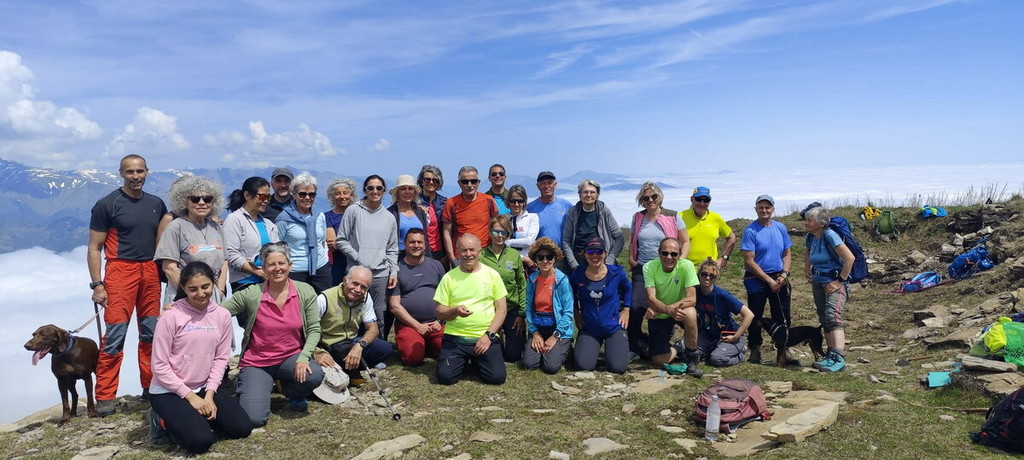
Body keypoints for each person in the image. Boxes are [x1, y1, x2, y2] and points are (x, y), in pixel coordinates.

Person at [88, 154, 168, 416]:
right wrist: (97, 284)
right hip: (120, 271)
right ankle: (105, 395)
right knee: (115, 334)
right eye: (130, 172)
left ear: (147, 171)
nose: (136, 176)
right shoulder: (107, 204)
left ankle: (151, 386)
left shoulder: (156, 203)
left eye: (140, 171)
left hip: (150, 270)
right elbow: (94, 247)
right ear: (121, 173)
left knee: (151, 333)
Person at [149, 262, 252, 454]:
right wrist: (191, 398)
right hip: (169, 390)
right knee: (200, 442)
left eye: (205, 287)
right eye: (193, 289)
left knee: (242, 428)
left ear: (213, 283)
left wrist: (210, 395)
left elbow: (221, 359)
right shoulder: (170, 317)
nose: (201, 293)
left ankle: (195, 418)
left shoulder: (222, 315)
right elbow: (159, 366)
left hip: (204, 387)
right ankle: (160, 419)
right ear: (183, 288)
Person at [221, 242, 324, 426]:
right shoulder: (252, 293)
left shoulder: (304, 291)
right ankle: (252, 385)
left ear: (290, 265)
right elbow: (219, 312)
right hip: (258, 363)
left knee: (314, 374)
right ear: (263, 269)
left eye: (282, 263)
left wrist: (304, 357)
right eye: (271, 264)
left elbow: (314, 329)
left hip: (291, 358)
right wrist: (181, 309)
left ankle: (292, 391)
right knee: (254, 419)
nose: (277, 268)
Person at [434, 234, 508, 385]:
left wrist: (489, 335)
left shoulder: (492, 275)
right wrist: (455, 311)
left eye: (472, 250)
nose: (468, 254)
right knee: (445, 378)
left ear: (480, 252)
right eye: (464, 250)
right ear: (457, 253)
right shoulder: (448, 277)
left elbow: (501, 310)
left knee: (496, 378)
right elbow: (439, 311)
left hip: (485, 336)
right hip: (456, 338)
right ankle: (466, 360)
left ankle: (476, 360)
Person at [627, 182, 684, 361]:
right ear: (641, 200)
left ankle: (683, 342)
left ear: (660, 197)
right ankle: (635, 344)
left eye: (654, 196)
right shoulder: (637, 217)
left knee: (663, 306)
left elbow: (685, 241)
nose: (650, 200)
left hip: (667, 268)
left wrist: (680, 261)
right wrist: (631, 258)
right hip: (643, 268)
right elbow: (633, 240)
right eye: (646, 198)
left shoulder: (673, 216)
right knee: (636, 306)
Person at [337, 175, 399, 331]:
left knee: (379, 314)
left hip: (380, 274)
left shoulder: (389, 218)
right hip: (356, 272)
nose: (375, 191)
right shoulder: (353, 211)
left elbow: (392, 248)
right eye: (371, 188)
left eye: (379, 188)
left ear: (384, 191)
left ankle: (378, 344)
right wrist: (359, 258)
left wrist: (393, 272)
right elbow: (341, 240)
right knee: (352, 312)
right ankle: (350, 343)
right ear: (365, 190)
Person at [312, 266, 393, 383]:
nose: (358, 289)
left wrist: (360, 346)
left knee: (385, 348)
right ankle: (347, 371)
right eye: (355, 284)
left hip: (352, 341)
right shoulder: (324, 299)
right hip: (327, 344)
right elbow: (306, 329)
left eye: (363, 287)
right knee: (343, 350)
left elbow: (373, 329)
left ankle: (349, 368)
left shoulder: (366, 298)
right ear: (345, 280)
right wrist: (316, 352)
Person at [155, 176, 227, 306]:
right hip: (183, 298)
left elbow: (224, 262)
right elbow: (169, 267)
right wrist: (190, 295)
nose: (201, 203)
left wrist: (220, 290)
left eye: (207, 199)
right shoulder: (175, 227)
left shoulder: (216, 227)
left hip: (213, 297)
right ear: (185, 202)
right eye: (195, 199)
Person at [740, 195, 793, 364]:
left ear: (773, 209)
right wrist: (768, 281)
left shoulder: (780, 228)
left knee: (782, 314)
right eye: (761, 207)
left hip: (779, 276)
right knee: (755, 314)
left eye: (767, 207)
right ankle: (755, 348)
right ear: (756, 209)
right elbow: (749, 260)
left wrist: (784, 274)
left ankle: (783, 348)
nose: (764, 210)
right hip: (756, 278)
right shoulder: (750, 231)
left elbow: (787, 253)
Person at [803, 205, 855, 373]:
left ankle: (839, 358)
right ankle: (830, 355)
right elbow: (807, 253)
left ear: (822, 223)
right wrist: (807, 269)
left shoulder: (830, 235)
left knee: (833, 317)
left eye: (810, 220)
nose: (806, 223)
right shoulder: (811, 237)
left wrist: (840, 281)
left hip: (833, 282)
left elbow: (849, 258)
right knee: (824, 318)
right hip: (818, 281)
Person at [570, 236, 631, 374]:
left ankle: (614, 350)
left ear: (605, 253)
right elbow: (571, 294)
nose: (595, 255)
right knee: (583, 365)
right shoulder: (577, 274)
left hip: (613, 326)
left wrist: (626, 309)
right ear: (584, 254)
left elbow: (628, 289)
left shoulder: (616, 273)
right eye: (590, 252)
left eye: (599, 251)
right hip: (589, 327)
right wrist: (576, 312)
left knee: (618, 368)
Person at [643, 238, 702, 378]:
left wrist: (669, 309)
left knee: (690, 313)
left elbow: (692, 298)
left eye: (674, 254)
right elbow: (651, 298)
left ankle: (692, 357)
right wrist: (668, 311)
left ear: (680, 255)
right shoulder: (649, 267)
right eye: (665, 253)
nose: (669, 257)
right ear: (659, 253)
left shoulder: (687, 266)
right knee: (659, 360)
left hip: (676, 310)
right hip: (661, 314)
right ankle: (679, 346)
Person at [388, 229, 446, 366]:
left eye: (419, 242)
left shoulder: (436, 265)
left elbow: (447, 296)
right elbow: (394, 306)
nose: (416, 245)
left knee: (450, 353)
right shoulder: (396, 270)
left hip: (435, 324)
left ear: (425, 245)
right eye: (412, 242)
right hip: (409, 325)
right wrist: (417, 326)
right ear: (404, 244)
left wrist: (440, 320)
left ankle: (427, 345)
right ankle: (418, 344)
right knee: (413, 359)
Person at [522, 237, 574, 374]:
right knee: (529, 364)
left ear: (555, 259)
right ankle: (546, 348)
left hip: (558, 328)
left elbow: (568, 312)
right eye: (540, 257)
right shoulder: (532, 280)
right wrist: (535, 333)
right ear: (536, 260)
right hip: (539, 327)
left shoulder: (562, 280)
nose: (545, 261)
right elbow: (528, 308)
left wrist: (555, 336)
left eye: (549, 257)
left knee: (550, 367)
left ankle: (565, 347)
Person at [480, 215, 527, 363]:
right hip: (489, 309)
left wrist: (521, 314)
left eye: (504, 232)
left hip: (511, 308)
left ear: (508, 234)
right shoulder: (481, 256)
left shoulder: (514, 255)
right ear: (490, 232)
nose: (500, 236)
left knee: (513, 355)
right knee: (488, 352)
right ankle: (496, 337)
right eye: (496, 231)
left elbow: (522, 285)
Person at [275, 172, 331, 293]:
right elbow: (277, 246)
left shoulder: (319, 216)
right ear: (293, 194)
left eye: (311, 194)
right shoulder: (284, 219)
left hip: (321, 269)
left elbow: (322, 242)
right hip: (296, 271)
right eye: (302, 194)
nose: (307, 198)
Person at [694, 258, 755, 367]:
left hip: (728, 334)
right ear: (699, 274)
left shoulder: (722, 295)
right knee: (692, 353)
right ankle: (714, 349)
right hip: (709, 333)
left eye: (711, 276)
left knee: (716, 359)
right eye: (704, 274)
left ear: (715, 277)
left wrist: (736, 336)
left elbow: (749, 315)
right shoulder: (695, 292)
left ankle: (740, 355)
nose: (707, 278)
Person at [224, 176, 280, 294]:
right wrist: (256, 271)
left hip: (268, 283)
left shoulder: (268, 224)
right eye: (262, 196)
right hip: (244, 283)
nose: (266, 201)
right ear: (247, 195)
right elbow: (230, 253)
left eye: (268, 197)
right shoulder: (234, 220)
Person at [561, 179, 624, 271]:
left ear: (597, 195)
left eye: (592, 192)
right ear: (580, 195)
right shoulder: (573, 212)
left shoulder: (604, 211)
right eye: (585, 192)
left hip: (601, 259)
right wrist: (573, 264)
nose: (589, 195)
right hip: (579, 261)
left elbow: (619, 237)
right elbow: (566, 240)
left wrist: (610, 260)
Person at [442, 166, 499, 265]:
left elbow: (495, 227)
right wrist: (452, 258)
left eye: (473, 181)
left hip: (485, 254)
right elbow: (447, 232)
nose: (469, 185)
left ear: (478, 182)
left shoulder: (488, 200)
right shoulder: (451, 203)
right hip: (462, 256)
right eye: (465, 182)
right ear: (459, 183)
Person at [678, 186, 735, 270]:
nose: (702, 203)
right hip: (685, 269)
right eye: (698, 199)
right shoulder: (680, 217)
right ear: (691, 199)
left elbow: (731, 237)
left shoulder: (715, 218)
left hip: (709, 271)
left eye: (706, 200)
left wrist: (724, 258)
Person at [527, 171, 574, 273]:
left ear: (555, 185)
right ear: (538, 186)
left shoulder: (566, 205)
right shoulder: (530, 208)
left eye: (549, 182)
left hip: (562, 258)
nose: (546, 186)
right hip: (541, 259)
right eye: (543, 183)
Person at [324, 178, 357, 286]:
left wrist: (341, 243)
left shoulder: (358, 214)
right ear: (332, 196)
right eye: (338, 193)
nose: (342, 196)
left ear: (351, 195)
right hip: (337, 264)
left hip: (357, 263)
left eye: (345, 193)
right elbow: (333, 244)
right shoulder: (328, 217)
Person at [388, 174, 430, 258]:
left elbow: (425, 238)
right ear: (397, 193)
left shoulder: (421, 212)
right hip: (399, 258)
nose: (407, 192)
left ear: (414, 192)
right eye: (403, 189)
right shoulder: (391, 213)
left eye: (410, 188)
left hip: (420, 257)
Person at [417, 165, 448, 266]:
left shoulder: (445, 203)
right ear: (421, 181)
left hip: (441, 253)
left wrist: (448, 254)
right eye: (427, 179)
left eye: (435, 180)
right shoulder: (414, 202)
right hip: (420, 251)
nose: (431, 182)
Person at [505, 184, 539, 270]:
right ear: (508, 201)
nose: (516, 204)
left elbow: (530, 241)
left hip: (529, 263)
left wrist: (509, 242)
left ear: (524, 202)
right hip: (509, 261)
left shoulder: (532, 217)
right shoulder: (504, 219)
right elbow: (502, 245)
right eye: (513, 201)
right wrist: (522, 258)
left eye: (520, 201)